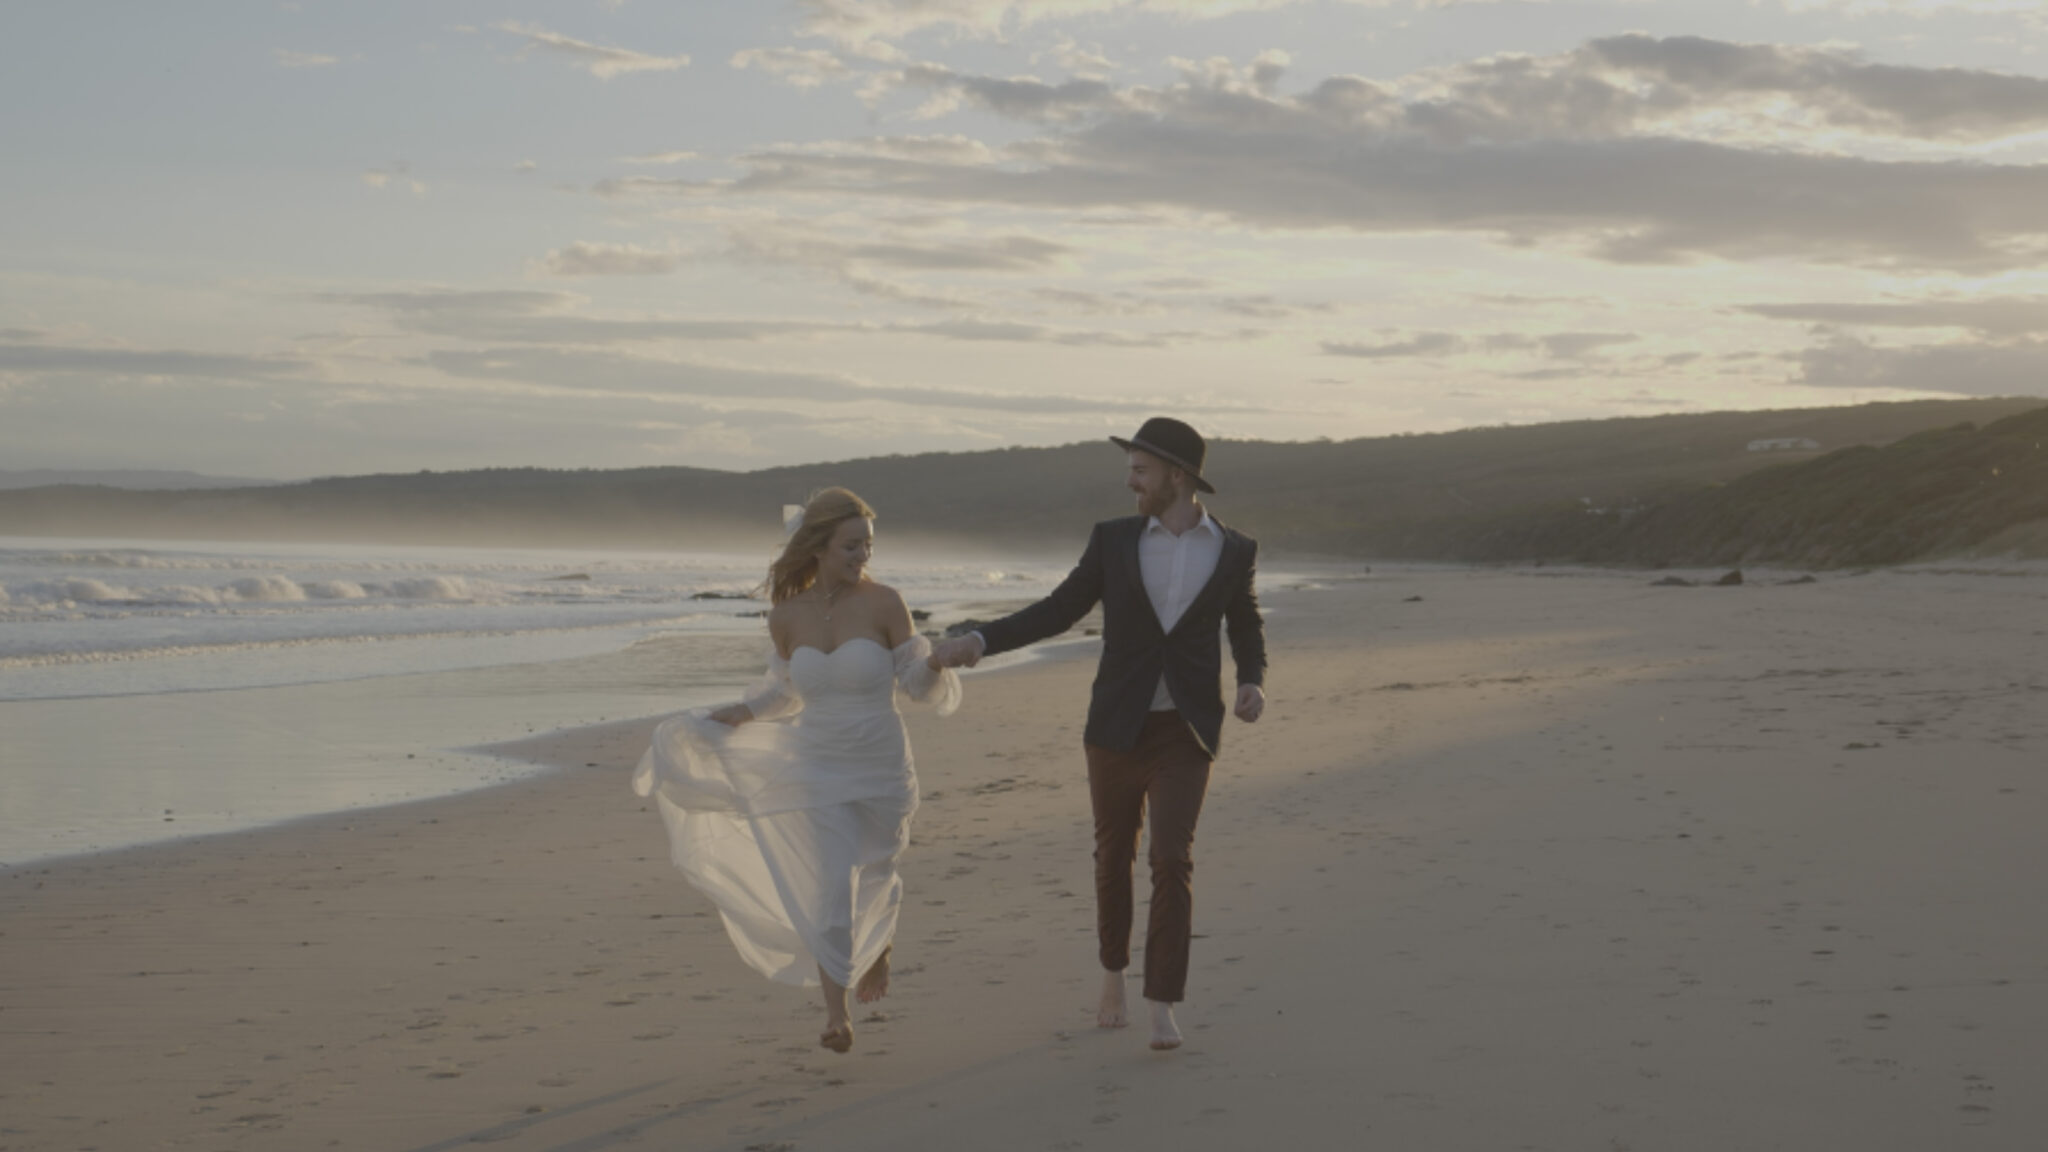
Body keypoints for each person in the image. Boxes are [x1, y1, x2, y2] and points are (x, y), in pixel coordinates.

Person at [930, 416, 1266, 1052]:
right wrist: (979, 640)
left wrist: (1252, 679)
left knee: (1172, 857)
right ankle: (1112, 973)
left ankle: (1161, 1000)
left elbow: (1245, 625)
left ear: (1178, 475)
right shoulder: (1112, 541)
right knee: (1114, 858)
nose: (1130, 481)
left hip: (1187, 731)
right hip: (1115, 727)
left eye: (1140, 470)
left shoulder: (1234, 550)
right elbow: (1059, 609)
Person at [631, 487, 959, 1054]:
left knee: (876, 866)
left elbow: (916, 689)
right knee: (831, 883)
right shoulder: (786, 615)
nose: (863, 556)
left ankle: (879, 942)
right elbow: (784, 693)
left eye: (868, 545)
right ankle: (838, 1014)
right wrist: (739, 714)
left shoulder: (885, 603)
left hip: (880, 763)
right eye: (851, 545)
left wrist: (932, 662)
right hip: (818, 764)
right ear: (819, 546)